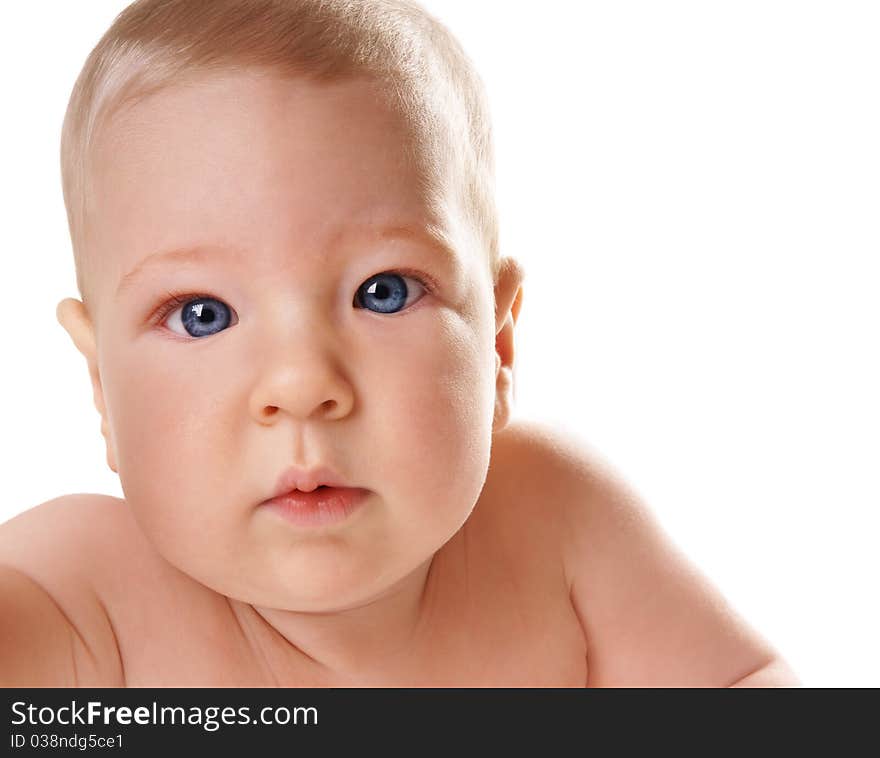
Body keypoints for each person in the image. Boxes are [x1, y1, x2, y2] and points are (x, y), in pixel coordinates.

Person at [0, 0, 799, 687]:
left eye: (383, 292)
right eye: (203, 313)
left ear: (497, 345)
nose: (303, 383)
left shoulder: (554, 526)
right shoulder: (84, 600)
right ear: (102, 384)